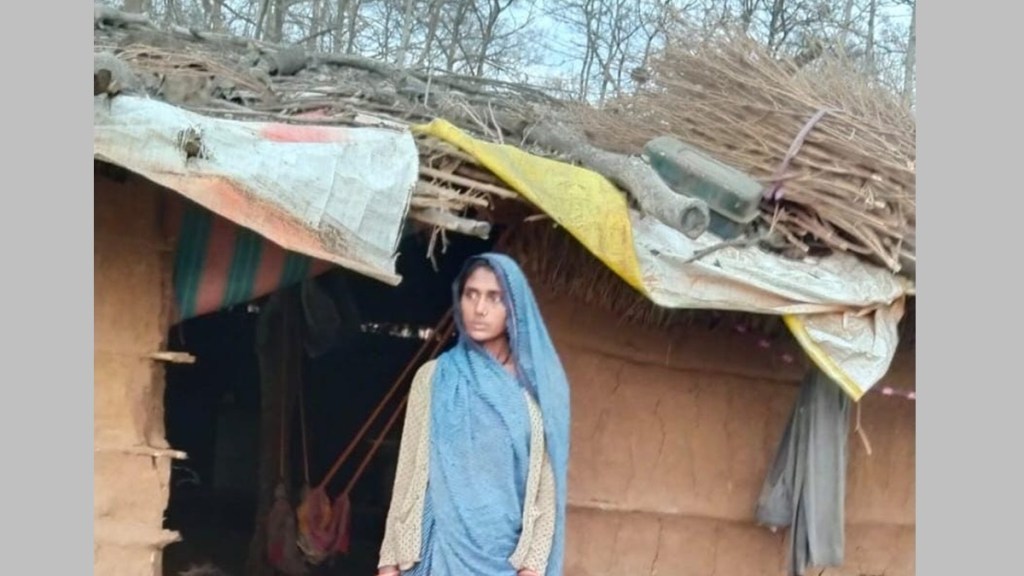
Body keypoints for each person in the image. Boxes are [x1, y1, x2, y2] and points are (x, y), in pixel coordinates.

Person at [377, 253, 571, 576]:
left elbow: (544, 490)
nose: (479, 308)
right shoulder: (434, 377)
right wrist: (388, 560)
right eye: (471, 294)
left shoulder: (536, 392)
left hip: (505, 560)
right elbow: (409, 470)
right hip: (435, 552)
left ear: (514, 307)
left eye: (494, 297)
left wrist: (533, 566)